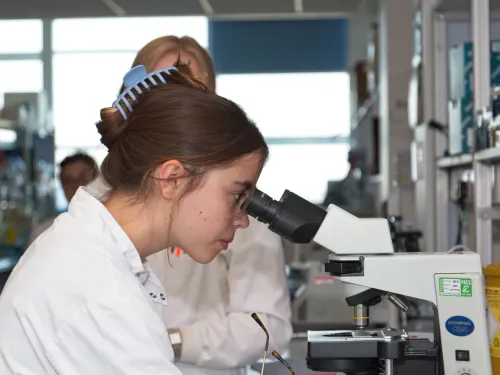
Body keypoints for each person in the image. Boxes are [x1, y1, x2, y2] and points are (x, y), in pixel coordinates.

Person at [0, 61, 269, 374]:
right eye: (238, 195)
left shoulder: (91, 252)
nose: (243, 220)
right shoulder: (97, 289)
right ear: (172, 179)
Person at [106, 36, 293, 375]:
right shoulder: (101, 204)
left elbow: (270, 328)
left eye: (192, 92)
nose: (177, 109)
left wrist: (174, 341)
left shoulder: (238, 205)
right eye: (162, 93)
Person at [27, 152, 99, 245]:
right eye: (68, 180)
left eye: (83, 178)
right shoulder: (43, 233)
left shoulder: (115, 229)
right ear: (62, 186)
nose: (76, 186)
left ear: (98, 182)